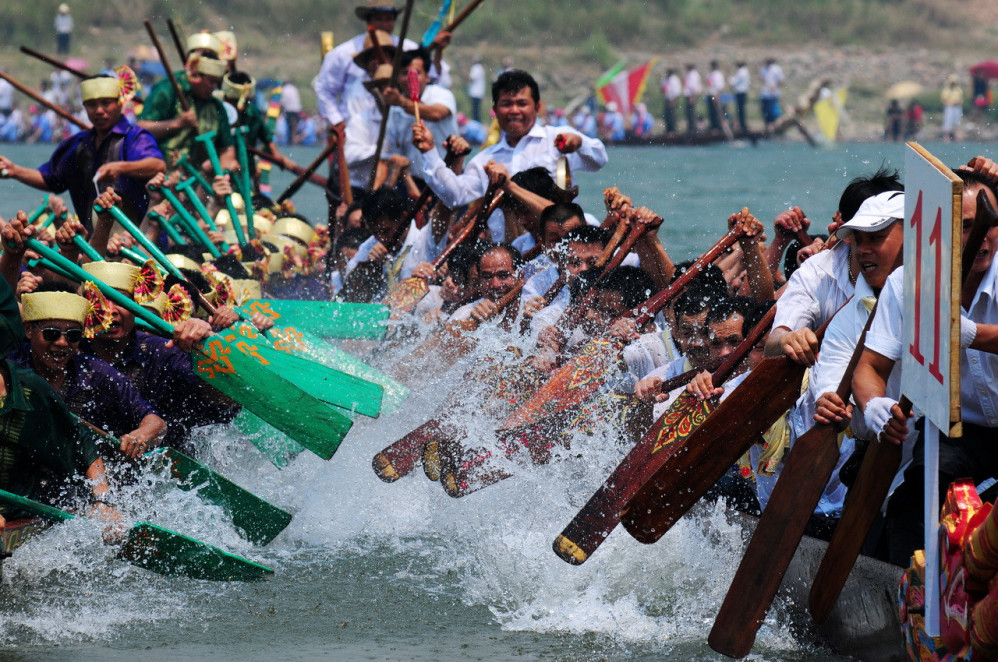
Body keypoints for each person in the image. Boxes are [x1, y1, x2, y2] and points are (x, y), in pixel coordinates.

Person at [853, 168, 998, 566]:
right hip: (958, 429)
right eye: (967, 227)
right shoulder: (909, 282)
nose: (983, 238)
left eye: (989, 225)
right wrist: (874, 407)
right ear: (945, 229)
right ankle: (914, 601)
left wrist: (971, 334)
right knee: (912, 501)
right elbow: (869, 368)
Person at [412, 69, 608, 242]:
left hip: (561, 242)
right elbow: (454, 196)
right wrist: (429, 152)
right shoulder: (484, 160)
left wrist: (580, 143)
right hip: (510, 257)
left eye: (522, 103)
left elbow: (599, 161)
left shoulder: (558, 139)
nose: (514, 111)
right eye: (506, 104)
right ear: (495, 110)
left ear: (537, 107)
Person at [12, 286, 167, 460]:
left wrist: (140, 436)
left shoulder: (98, 374)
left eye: (73, 336)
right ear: (29, 330)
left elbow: (156, 423)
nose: (62, 343)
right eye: (52, 334)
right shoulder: (11, 365)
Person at [0, 74, 165, 230]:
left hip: (142, 241)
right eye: (92, 105)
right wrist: (14, 170)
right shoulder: (77, 145)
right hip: (92, 246)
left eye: (106, 103)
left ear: (120, 103)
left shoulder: (135, 137)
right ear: (85, 107)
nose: (99, 110)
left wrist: (120, 168)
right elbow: (51, 179)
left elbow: (158, 166)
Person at [138, 38, 234, 171]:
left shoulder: (216, 106)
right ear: (196, 75)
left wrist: (223, 168)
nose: (214, 87)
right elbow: (141, 129)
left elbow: (227, 149)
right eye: (210, 82)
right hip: (161, 176)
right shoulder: (168, 90)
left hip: (199, 182)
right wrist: (177, 124)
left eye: (217, 83)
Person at [381, 47, 459, 187]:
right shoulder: (394, 111)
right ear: (398, 78)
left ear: (427, 77)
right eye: (405, 73)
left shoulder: (441, 94)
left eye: (417, 73)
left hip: (447, 179)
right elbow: (390, 149)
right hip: (414, 182)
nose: (410, 78)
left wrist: (402, 103)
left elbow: (437, 113)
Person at [759, 58, 784, 132]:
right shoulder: (763, 69)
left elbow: (780, 80)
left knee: (774, 111)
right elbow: (762, 78)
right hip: (765, 93)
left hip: (774, 94)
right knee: (765, 111)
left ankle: (776, 126)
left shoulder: (776, 69)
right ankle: (767, 126)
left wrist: (774, 86)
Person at [729, 61, 750, 132]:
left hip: (740, 92)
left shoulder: (741, 72)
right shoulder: (746, 71)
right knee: (741, 109)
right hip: (743, 92)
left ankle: (742, 125)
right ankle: (742, 124)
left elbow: (735, 82)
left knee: (740, 109)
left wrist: (730, 79)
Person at [942, 75, 964, 142]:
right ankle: (946, 136)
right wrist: (950, 103)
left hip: (957, 107)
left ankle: (957, 135)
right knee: (948, 121)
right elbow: (944, 99)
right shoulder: (947, 90)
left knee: (957, 121)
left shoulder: (958, 89)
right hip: (950, 107)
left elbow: (961, 98)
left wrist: (959, 101)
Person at [705, 60, 725, 131]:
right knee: (711, 111)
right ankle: (713, 126)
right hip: (710, 94)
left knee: (716, 111)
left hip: (715, 95)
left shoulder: (718, 74)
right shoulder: (710, 74)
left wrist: (717, 95)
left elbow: (720, 86)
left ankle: (717, 126)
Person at [661, 68, 682, 135]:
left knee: (672, 115)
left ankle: (673, 130)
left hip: (672, 99)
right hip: (667, 98)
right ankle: (668, 130)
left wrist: (673, 100)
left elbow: (677, 91)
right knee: (667, 115)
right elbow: (663, 88)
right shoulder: (666, 79)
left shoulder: (675, 79)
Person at [683, 64, 702, 134]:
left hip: (691, 95)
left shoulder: (693, 75)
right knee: (689, 112)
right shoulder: (691, 74)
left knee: (691, 112)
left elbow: (693, 86)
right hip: (690, 95)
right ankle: (691, 128)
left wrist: (692, 96)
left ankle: (692, 128)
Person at [468, 56, 486, 123]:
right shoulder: (481, 68)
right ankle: (477, 123)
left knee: (475, 110)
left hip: (475, 92)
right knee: (477, 109)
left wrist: (465, 75)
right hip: (479, 92)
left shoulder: (476, 68)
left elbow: (472, 78)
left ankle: (476, 123)